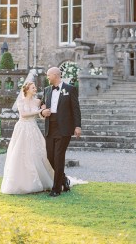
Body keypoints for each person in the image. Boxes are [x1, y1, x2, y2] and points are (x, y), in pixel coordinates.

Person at [0, 81, 54, 195]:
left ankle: (42, 180)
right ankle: (21, 183)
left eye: (35, 87)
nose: (35, 89)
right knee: (21, 153)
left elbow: (41, 116)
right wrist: (39, 111)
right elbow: (23, 114)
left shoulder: (38, 101)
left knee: (36, 153)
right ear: (27, 89)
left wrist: (43, 112)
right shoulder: (21, 101)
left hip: (33, 127)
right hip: (22, 128)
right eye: (33, 87)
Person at [40, 66, 82, 197]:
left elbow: (76, 109)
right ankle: (64, 179)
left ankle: (56, 189)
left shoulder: (70, 89)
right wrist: (42, 111)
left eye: (48, 75)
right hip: (50, 127)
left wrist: (77, 126)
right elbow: (41, 104)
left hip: (64, 128)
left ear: (55, 75)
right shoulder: (46, 90)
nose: (47, 77)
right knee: (50, 157)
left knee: (59, 157)